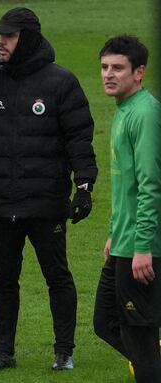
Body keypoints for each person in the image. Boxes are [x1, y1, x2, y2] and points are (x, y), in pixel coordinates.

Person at [0, 7, 97, 371]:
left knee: (57, 276)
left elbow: (79, 136)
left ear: (28, 39)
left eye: (9, 36)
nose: (0, 41)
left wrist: (84, 185)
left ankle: (64, 351)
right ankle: (3, 353)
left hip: (46, 203)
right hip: (0, 203)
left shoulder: (61, 82)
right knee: (4, 280)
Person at [93, 35, 161, 383]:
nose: (109, 74)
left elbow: (151, 185)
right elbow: (126, 187)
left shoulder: (145, 114)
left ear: (139, 72)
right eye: (105, 67)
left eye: (118, 68)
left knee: (140, 339)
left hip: (139, 248)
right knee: (104, 322)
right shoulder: (124, 109)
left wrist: (143, 246)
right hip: (122, 241)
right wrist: (114, 232)